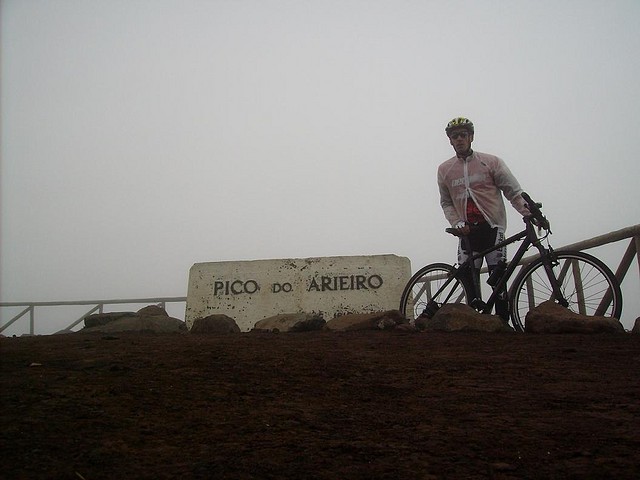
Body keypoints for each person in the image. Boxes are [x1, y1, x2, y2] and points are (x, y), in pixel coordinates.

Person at [436, 117, 530, 321]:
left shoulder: (491, 162)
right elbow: (446, 202)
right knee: (469, 281)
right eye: (455, 136)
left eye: (463, 135)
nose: (459, 139)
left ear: (471, 137)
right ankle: (474, 326)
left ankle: (503, 323)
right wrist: (456, 223)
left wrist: (529, 213)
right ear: (450, 141)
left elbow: (513, 192)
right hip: (467, 231)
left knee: (498, 279)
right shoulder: (444, 170)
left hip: (492, 228)